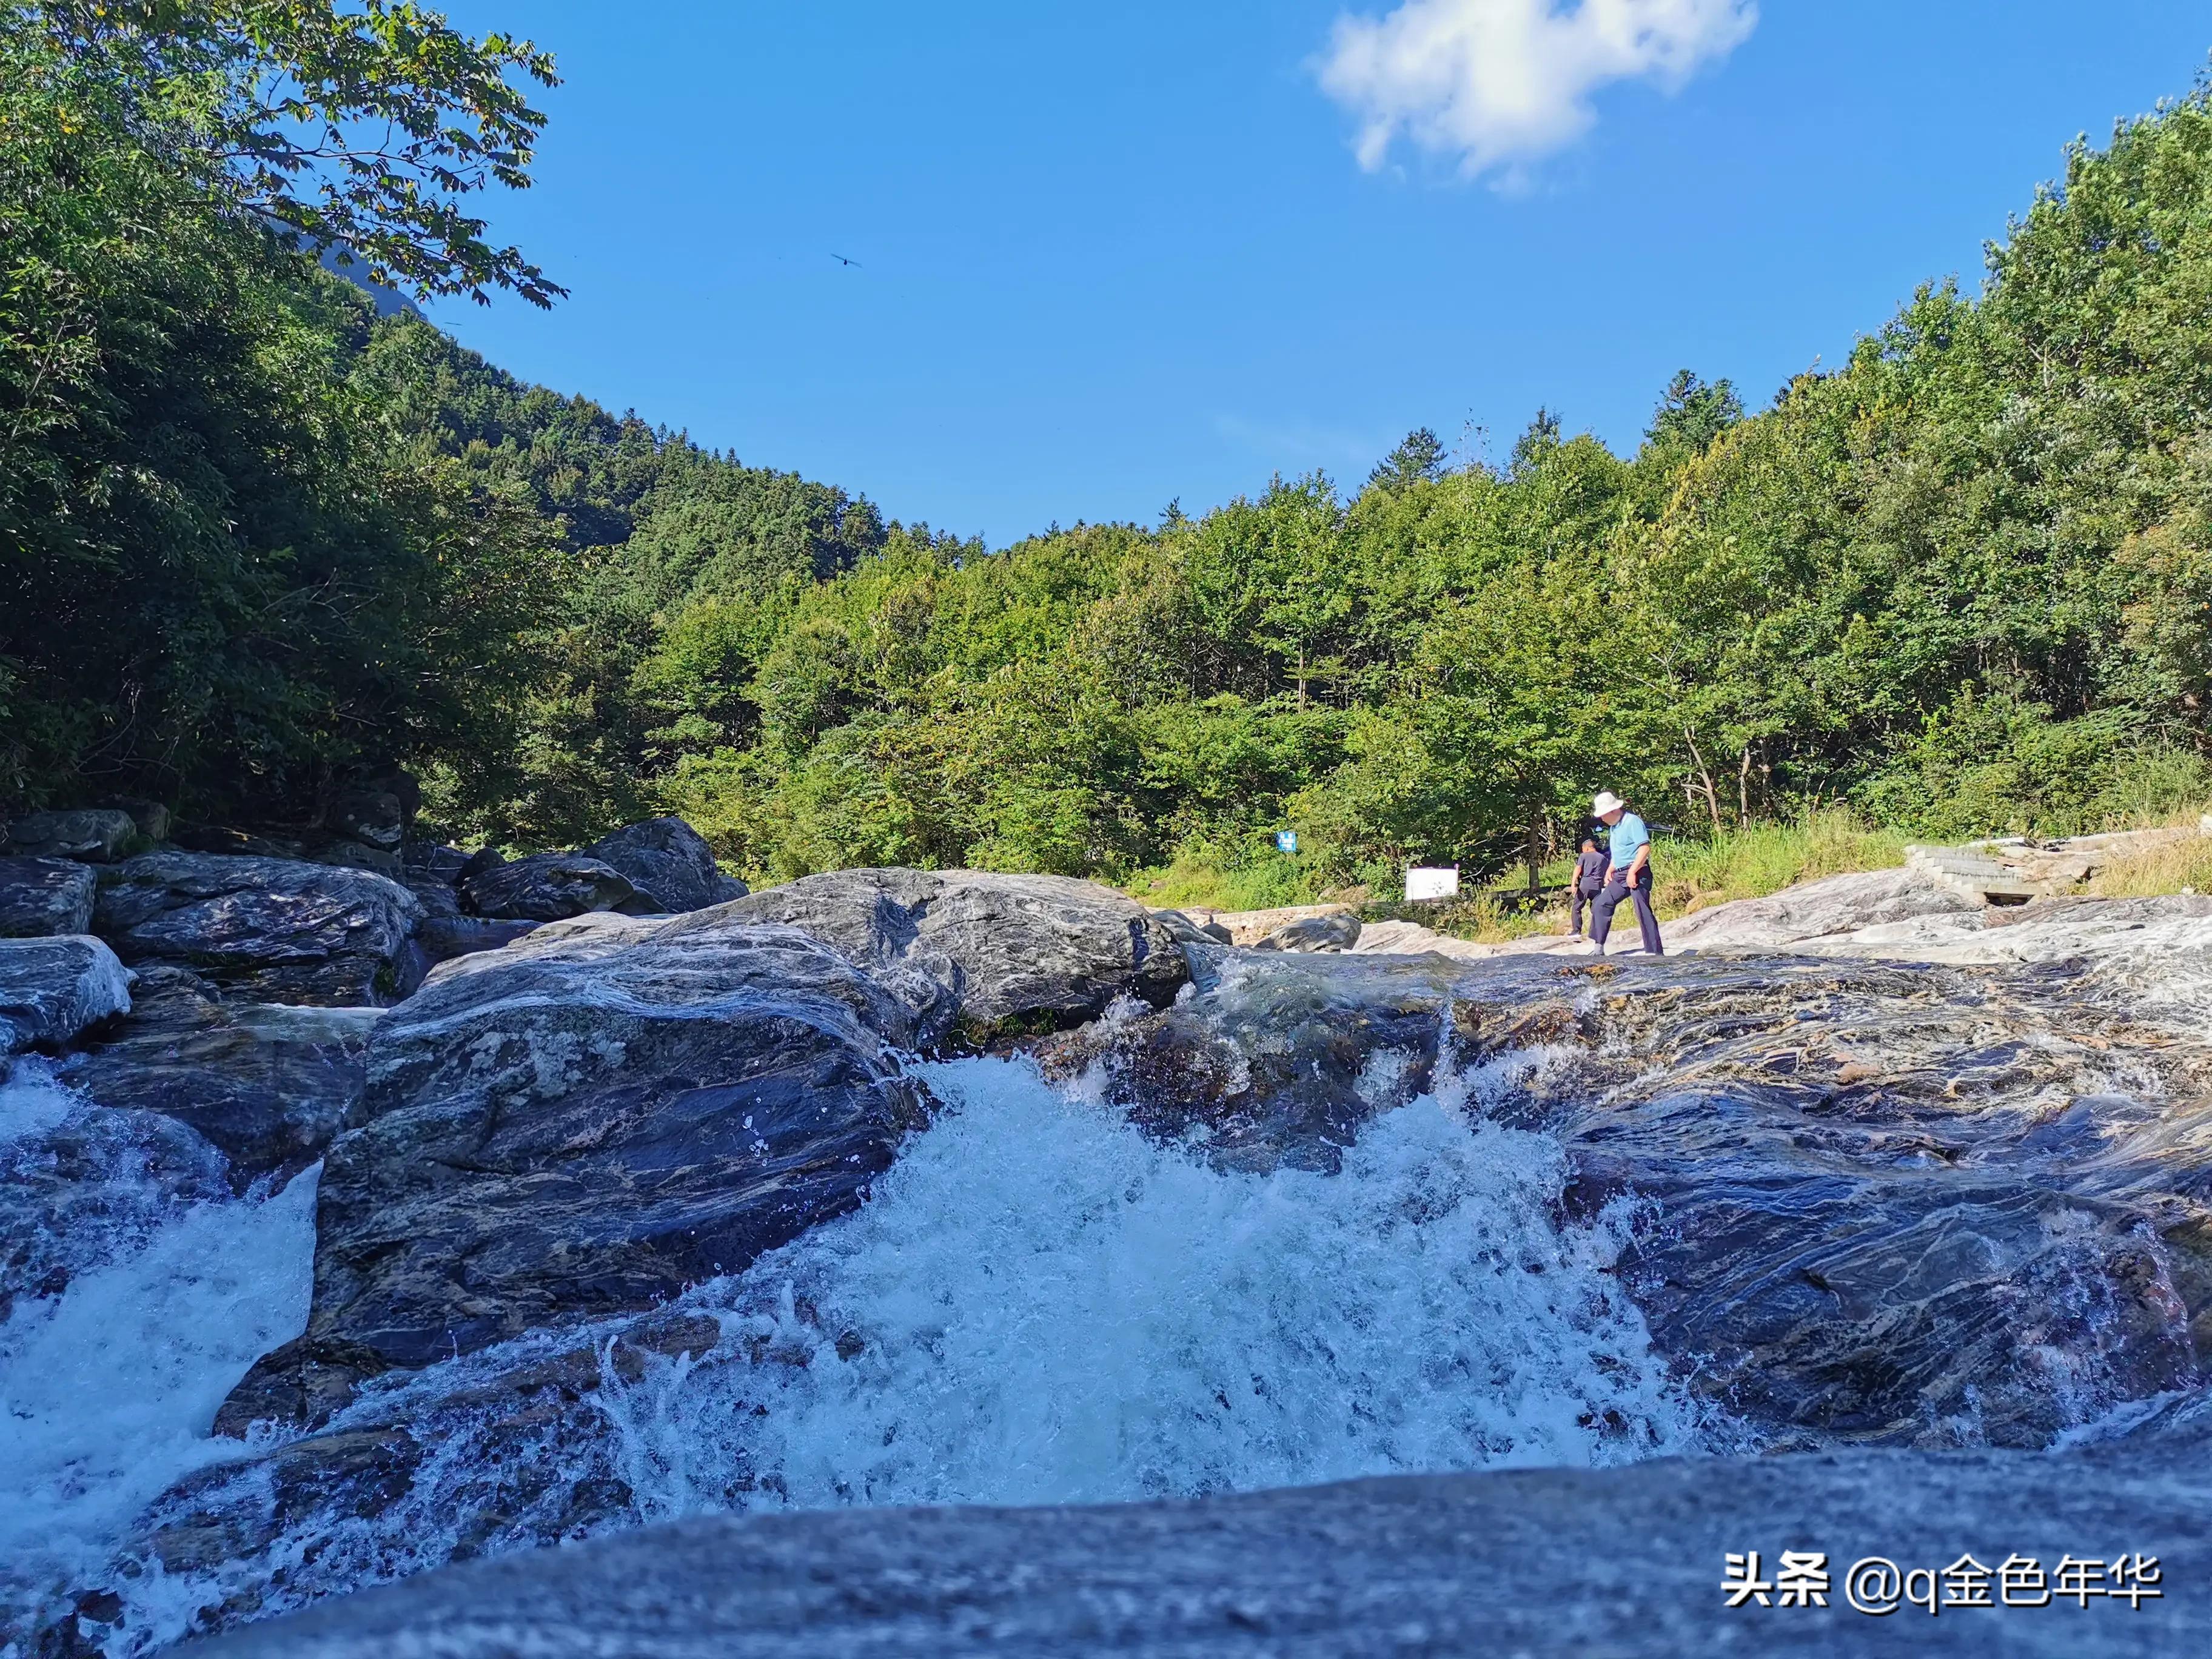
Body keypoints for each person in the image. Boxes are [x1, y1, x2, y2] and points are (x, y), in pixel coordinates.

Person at [1589, 791, 1663, 956]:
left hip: (1638, 870)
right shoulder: (1614, 828)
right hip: (1621, 874)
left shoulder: (1633, 821)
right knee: (1601, 904)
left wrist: (1633, 872)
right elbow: (1619, 851)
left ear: (1614, 810)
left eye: (1603, 814)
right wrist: (1610, 868)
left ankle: (1654, 953)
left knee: (1642, 909)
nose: (1602, 819)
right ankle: (1598, 948)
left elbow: (1644, 848)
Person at [1568, 837, 1607, 939]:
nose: (1583, 851)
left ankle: (1576, 931)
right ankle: (1597, 931)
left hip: (1585, 884)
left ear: (1587, 848)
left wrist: (1573, 884)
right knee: (1596, 909)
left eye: (1583, 849)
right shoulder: (1602, 858)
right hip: (1598, 885)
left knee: (1577, 908)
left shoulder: (1583, 856)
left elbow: (1578, 869)